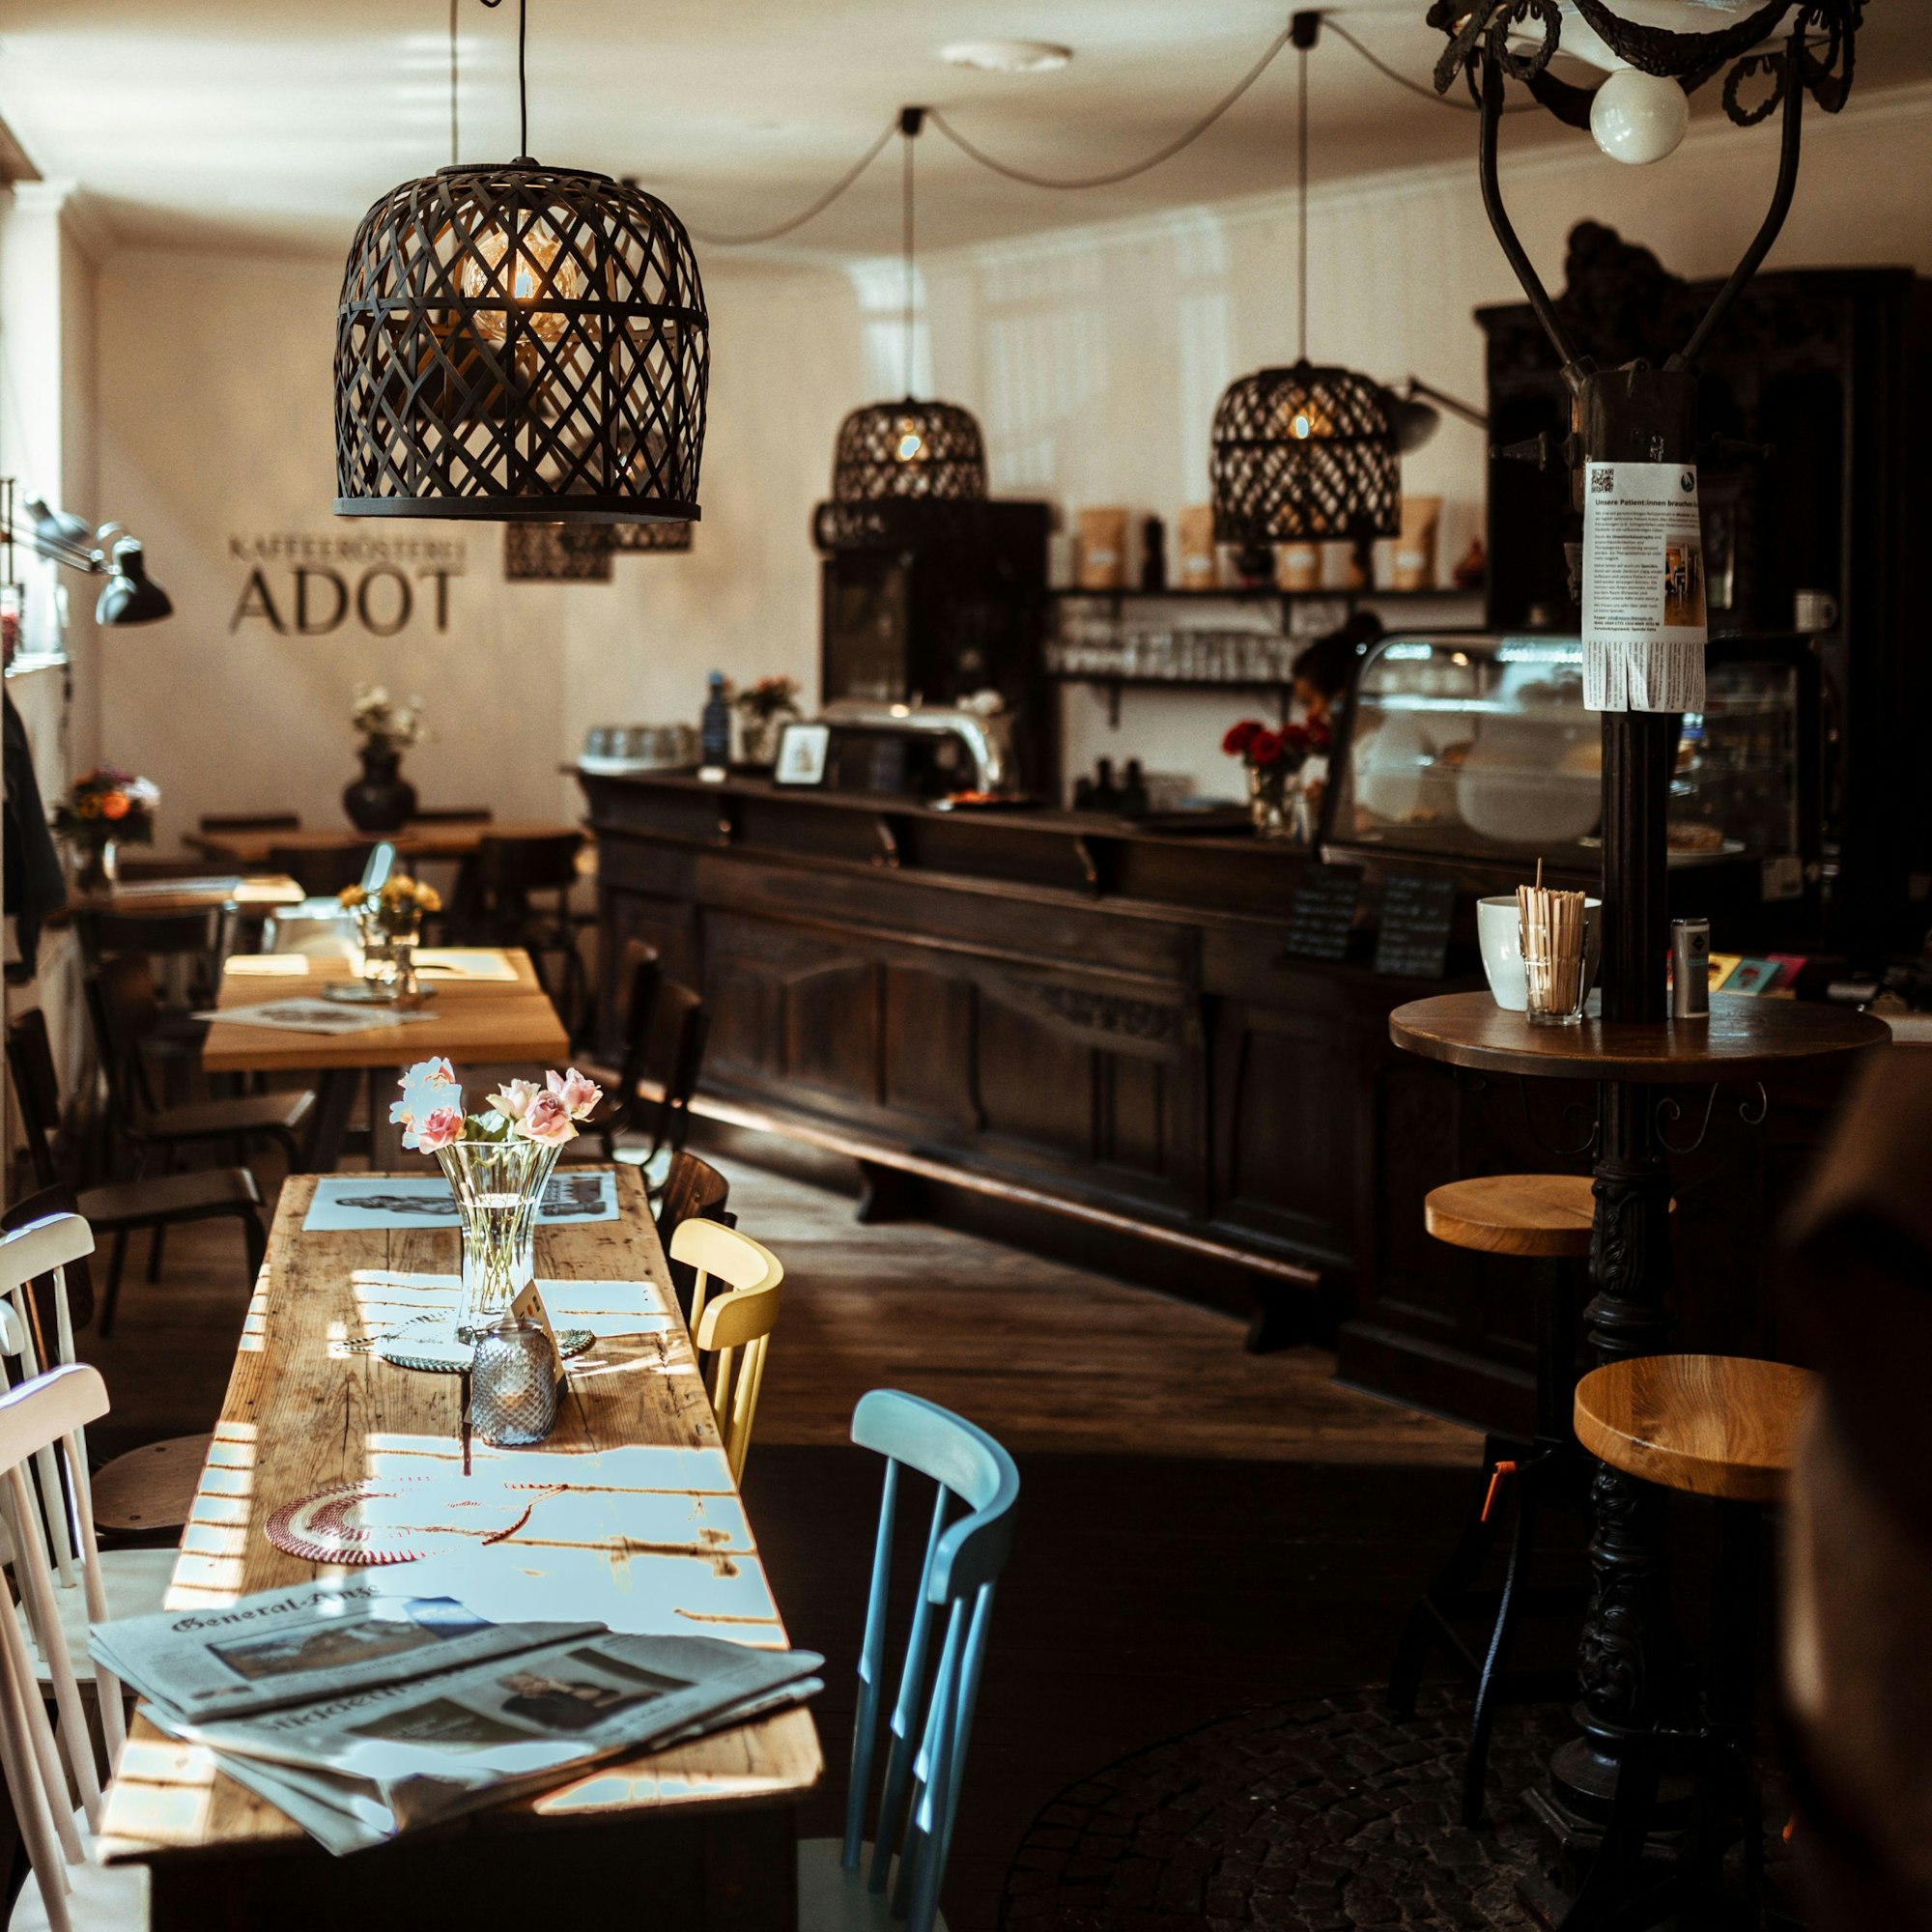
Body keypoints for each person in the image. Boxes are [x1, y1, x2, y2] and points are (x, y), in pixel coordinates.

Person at [1289, 611, 1381, 815]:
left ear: (1341, 694)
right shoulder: (1335, 747)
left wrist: (1336, 809)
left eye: (1309, 701)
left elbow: (1373, 818)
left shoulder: (1382, 745)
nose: (1309, 712)